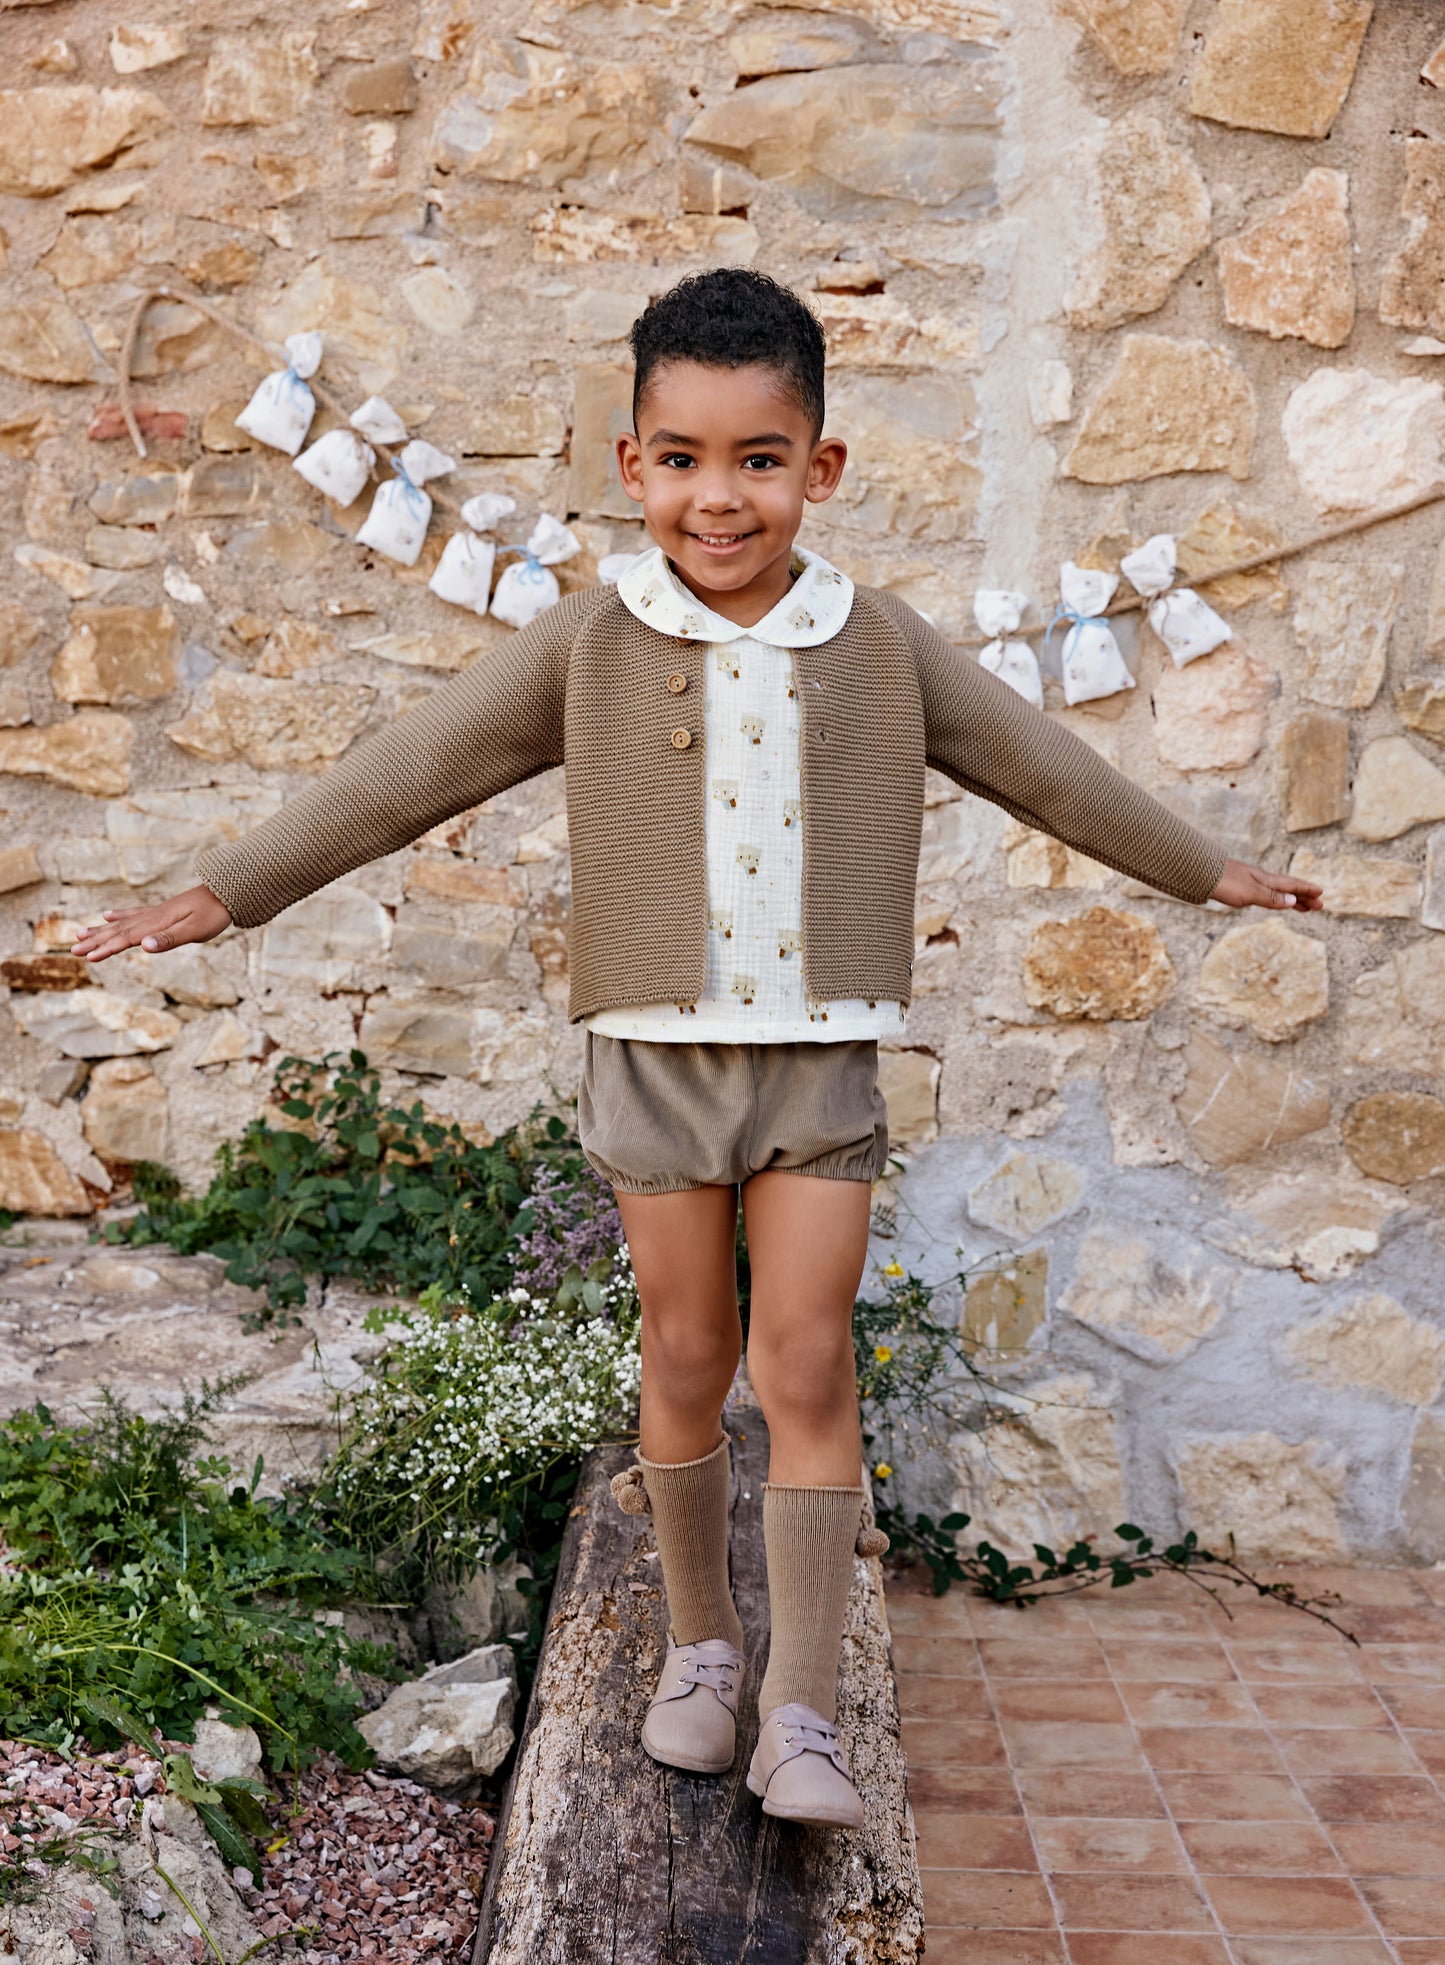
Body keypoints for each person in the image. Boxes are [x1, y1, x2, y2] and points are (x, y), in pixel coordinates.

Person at [73, 268, 1322, 1831]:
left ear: (819, 468)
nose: (715, 498)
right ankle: (702, 1647)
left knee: (800, 1362)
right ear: (630, 465)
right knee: (683, 1357)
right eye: (679, 459)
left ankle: (802, 1706)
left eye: (755, 460)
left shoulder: (878, 642)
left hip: (814, 1061)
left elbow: (1048, 769)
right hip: (654, 1059)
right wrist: (222, 891)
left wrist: (1209, 871)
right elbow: (404, 771)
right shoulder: (587, 643)